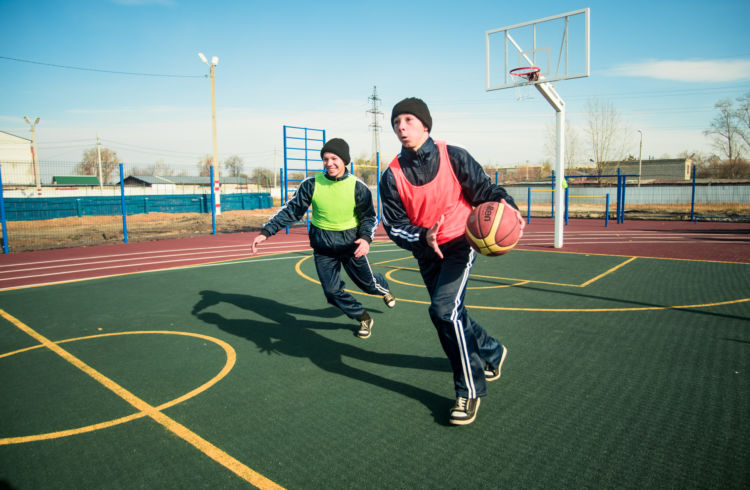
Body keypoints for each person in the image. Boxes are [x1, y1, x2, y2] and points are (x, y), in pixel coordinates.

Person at [379, 97, 524, 425]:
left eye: (408, 120)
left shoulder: (453, 155)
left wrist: (508, 206)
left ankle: (470, 389)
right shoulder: (391, 175)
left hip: (461, 243)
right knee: (452, 314)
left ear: (425, 125)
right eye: (396, 122)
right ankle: (492, 350)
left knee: (443, 311)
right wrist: (421, 237)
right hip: (427, 252)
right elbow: (395, 225)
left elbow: (486, 191)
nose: (401, 126)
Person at [252, 137, 395, 339]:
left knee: (368, 284)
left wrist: (365, 239)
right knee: (332, 292)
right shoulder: (311, 184)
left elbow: (369, 217)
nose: (329, 163)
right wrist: (266, 232)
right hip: (323, 249)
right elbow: (292, 210)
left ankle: (384, 290)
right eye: (326, 159)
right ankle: (363, 317)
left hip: (351, 246)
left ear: (345, 160)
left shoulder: (358, 186)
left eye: (334, 158)